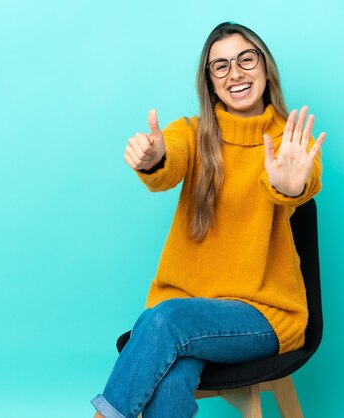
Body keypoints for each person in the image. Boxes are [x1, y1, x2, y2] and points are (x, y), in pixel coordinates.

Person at [91, 21, 326, 418]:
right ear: (211, 82)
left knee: (164, 321)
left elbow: (305, 180)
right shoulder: (190, 134)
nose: (234, 72)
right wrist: (155, 159)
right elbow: (169, 161)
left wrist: (288, 187)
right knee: (170, 377)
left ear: (265, 67)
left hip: (264, 316)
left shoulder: (291, 139)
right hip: (186, 313)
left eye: (245, 59)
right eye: (220, 66)